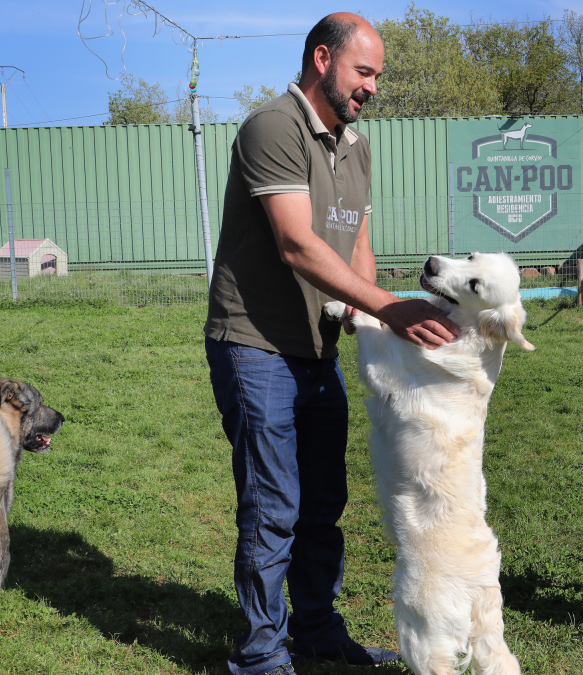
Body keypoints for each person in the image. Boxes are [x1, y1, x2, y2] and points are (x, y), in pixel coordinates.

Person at [203, 12, 459, 675]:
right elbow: (296, 242)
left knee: (323, 500)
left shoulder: (357, 146)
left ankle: (315, 627)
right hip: (255, 342)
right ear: (323, 59)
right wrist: (393, 308)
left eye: (378, 75)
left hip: (316, 349)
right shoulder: (272, 127)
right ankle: (261, 652)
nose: (373, 86)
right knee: (274, 500)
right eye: (363, 71)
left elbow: (355, 244)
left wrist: (363, 317)